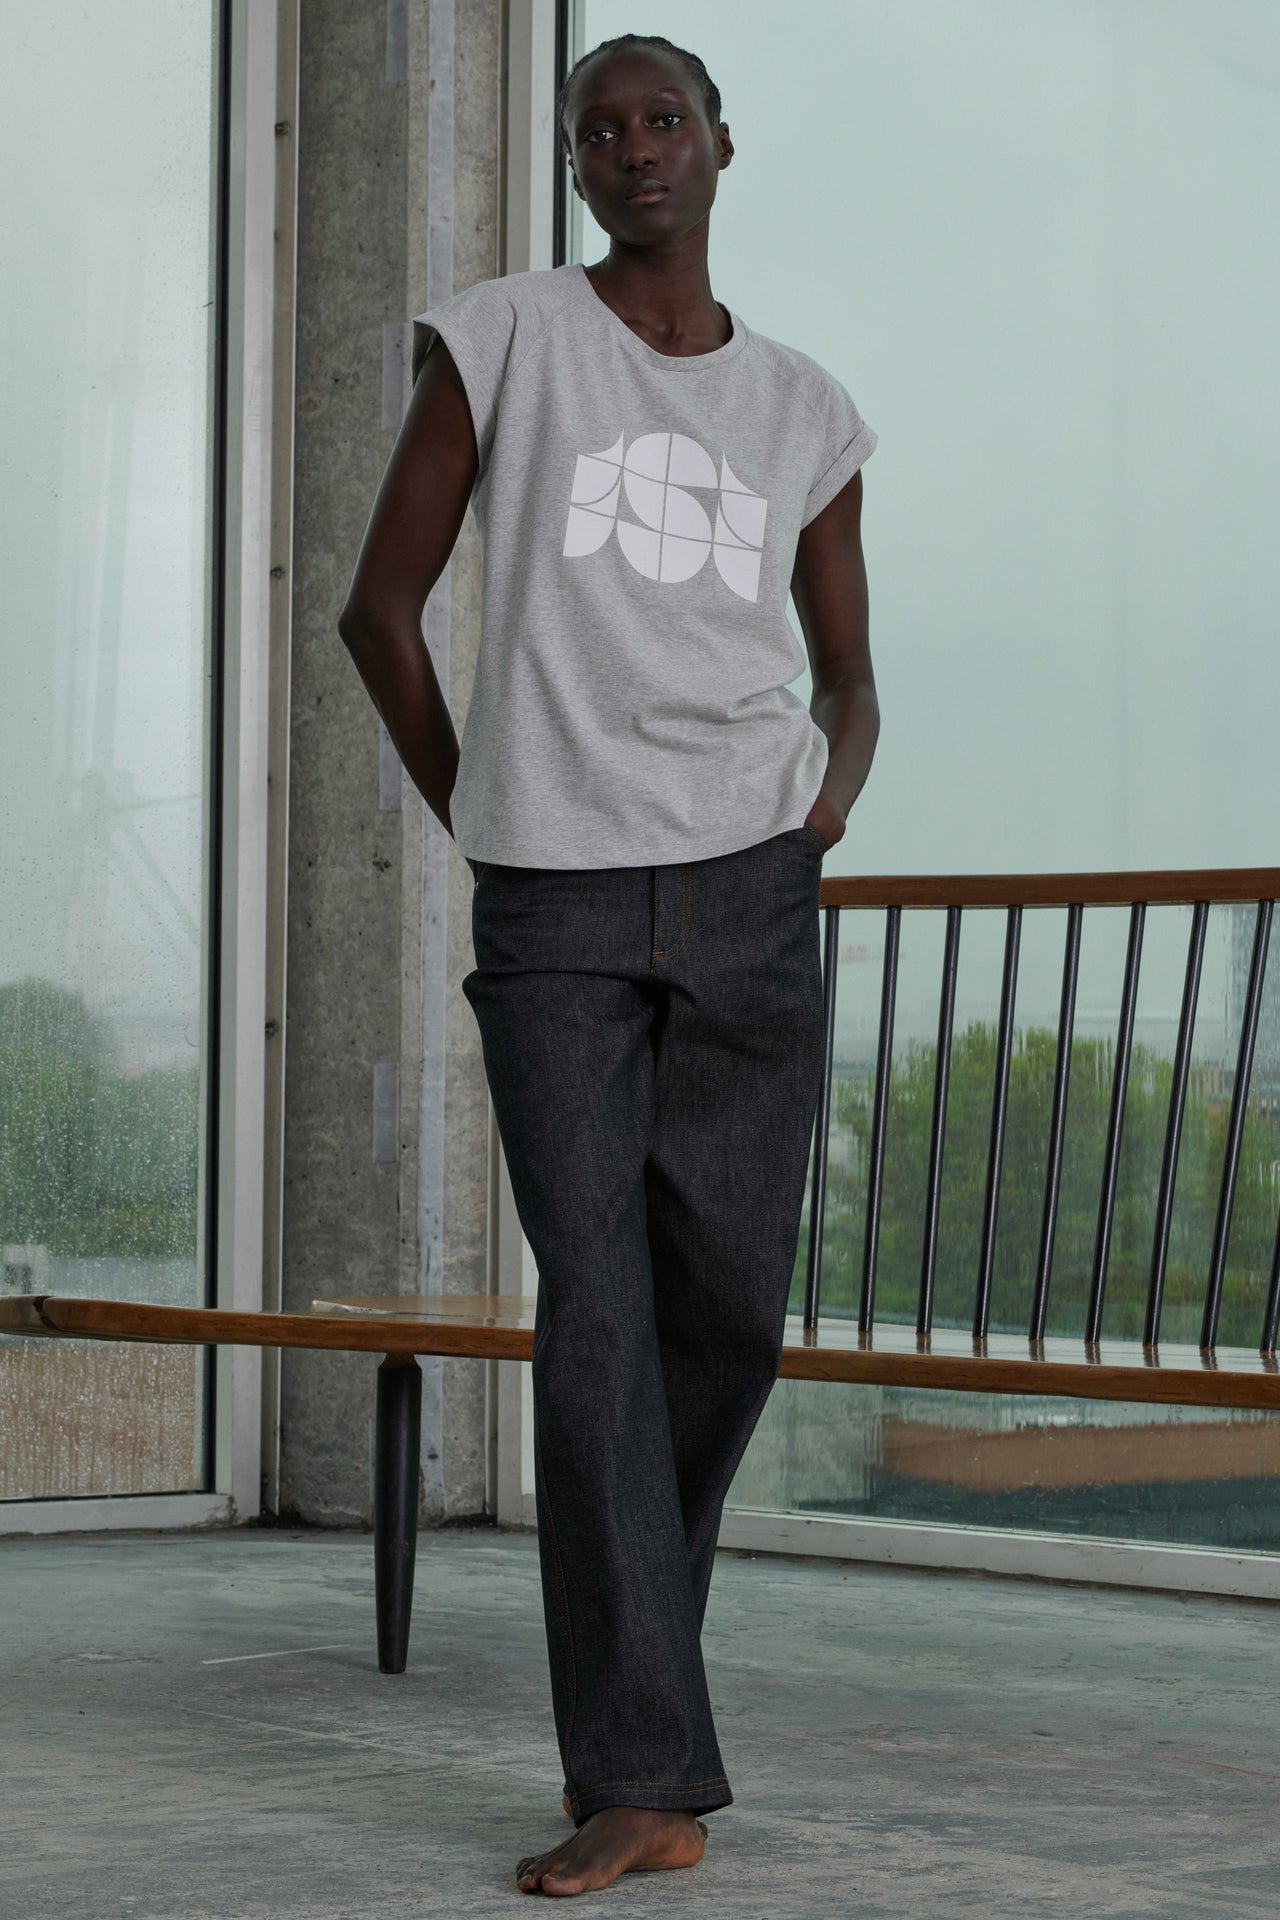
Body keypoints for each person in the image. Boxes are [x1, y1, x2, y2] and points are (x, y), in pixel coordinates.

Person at [339, 31, 879, 1899]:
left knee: (723, 1321)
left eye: (664, 120)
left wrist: (822, 805)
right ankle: (642, 1777)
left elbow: (850, 673)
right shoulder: (504, 337)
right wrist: (490, 812)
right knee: (598, 1322)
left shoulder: (805, 409)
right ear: (575, 168)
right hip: (558, 904)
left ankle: (646, 1674)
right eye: (600, 130)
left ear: (723, 145)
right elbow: (377, 609)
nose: (634, 148)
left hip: (750, 893)